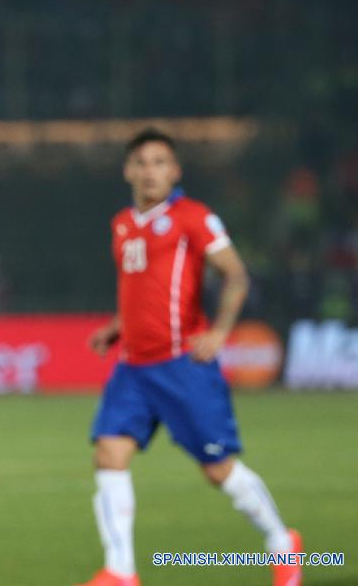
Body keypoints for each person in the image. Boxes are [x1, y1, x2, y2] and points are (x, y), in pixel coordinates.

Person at [78, 129, 301, 586]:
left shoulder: (193, 217)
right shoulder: (122, 223)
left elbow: (236, 274)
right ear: (128, 171)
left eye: (160, 162)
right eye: (141, 162)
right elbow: (137, 287)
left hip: (183, 365)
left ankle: (283, 545)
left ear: (175, 171)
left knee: (219, 469)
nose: (149, 171)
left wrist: (219, 333)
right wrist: (118, 326)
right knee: (109, 452)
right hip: (135, 367)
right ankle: (120, 571)